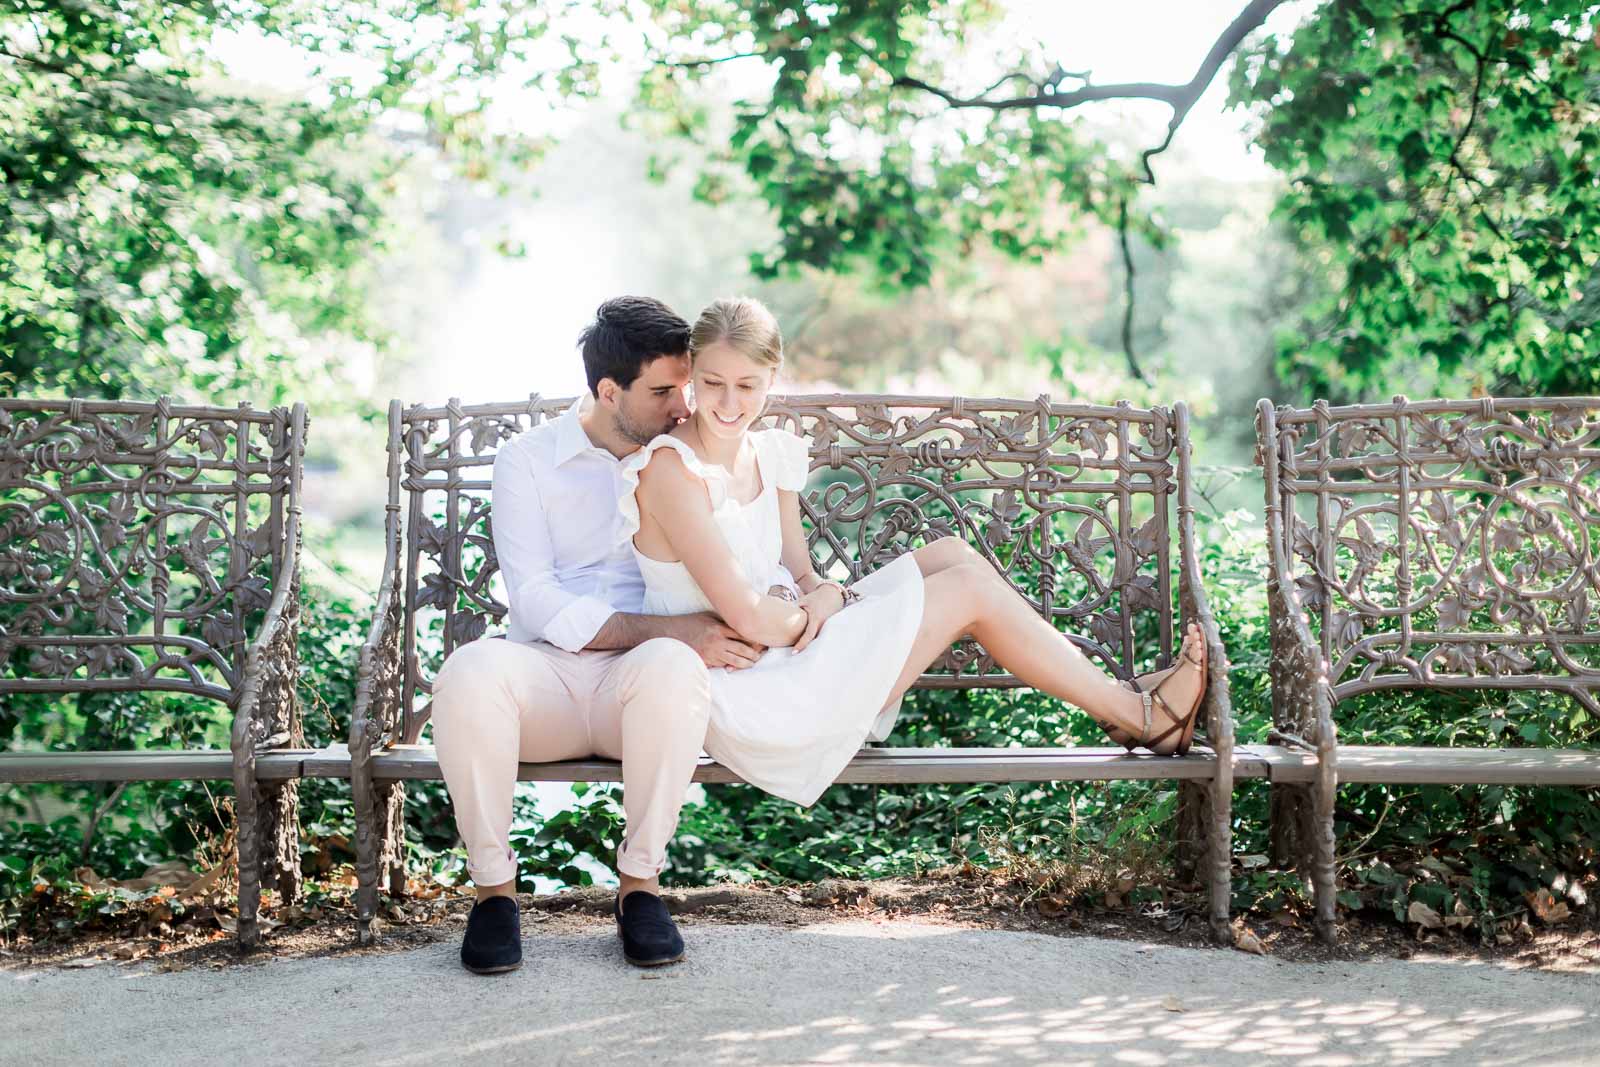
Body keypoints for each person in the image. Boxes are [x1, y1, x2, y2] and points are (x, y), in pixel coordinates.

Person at [619, 295, 1208, 821]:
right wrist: (824, 600)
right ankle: (1142, 715)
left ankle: (1121, 703)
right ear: (691, 374)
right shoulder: (672, 470)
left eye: (747, 385)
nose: (727, 403)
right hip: (751, 692)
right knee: (968, 594)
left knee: (952, 554)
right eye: (713, 383)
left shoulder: (771, 455)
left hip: (792, 650)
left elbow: (798, 572)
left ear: (773, 378)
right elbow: (748, 619)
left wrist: (819, 593)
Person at [430, 296, 777, 975]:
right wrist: (672, 628)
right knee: (470, 671)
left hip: (645, 683)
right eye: (664, 391)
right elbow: (533, 596)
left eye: (686, 386)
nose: (685, 405)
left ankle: (640, 888)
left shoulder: (685, 458)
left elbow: (752, 556)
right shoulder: (527, 461)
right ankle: (494, 894)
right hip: (547, 681)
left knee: (675, 667)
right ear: (607, 390)